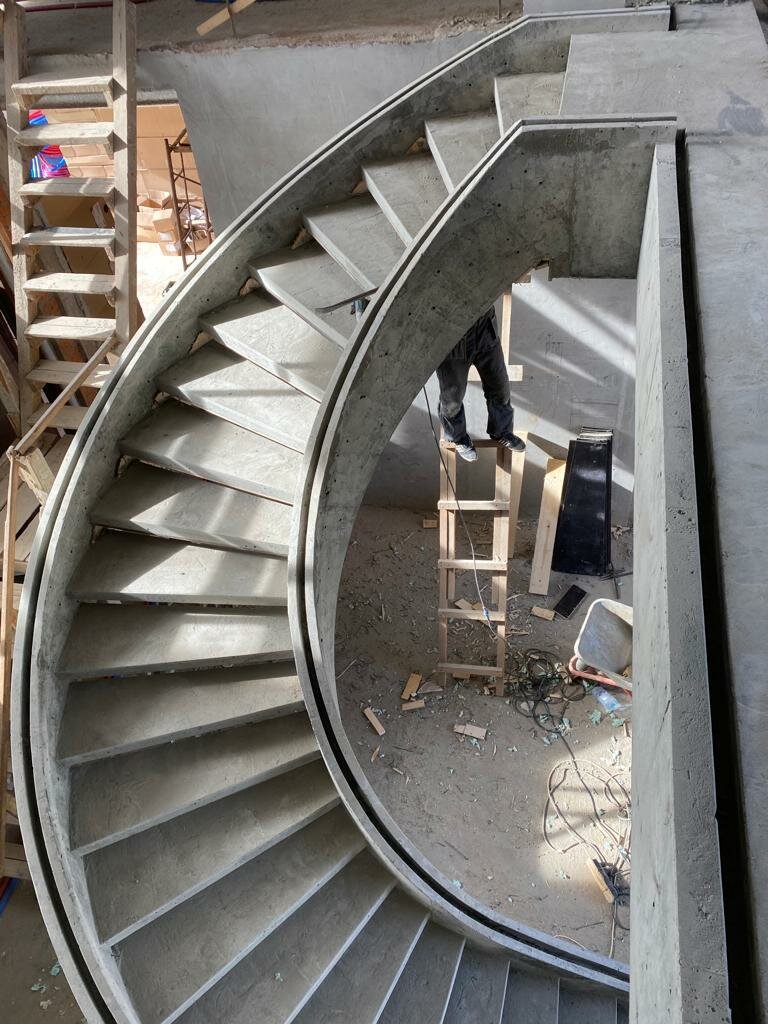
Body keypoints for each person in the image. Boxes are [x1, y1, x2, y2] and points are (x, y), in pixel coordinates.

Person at [437, 308, 526, 462]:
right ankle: (458, 437)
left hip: (484, 325)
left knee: (499, 387)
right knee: (452, 399)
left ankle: (501, 431)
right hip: (453, 330)